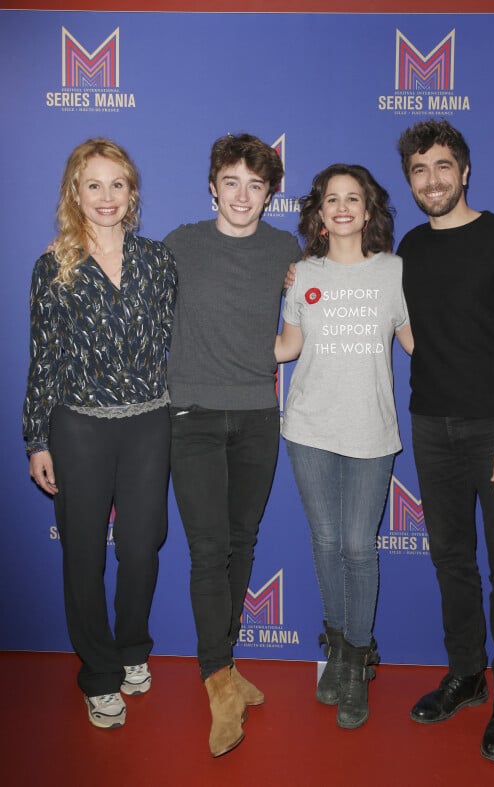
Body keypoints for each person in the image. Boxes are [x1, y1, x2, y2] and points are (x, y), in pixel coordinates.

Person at [396, 119, 494, 762]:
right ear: (410, 181)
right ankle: (466, 674)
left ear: (464, 171)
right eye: (418, 170)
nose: (431, 180)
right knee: (451, 560)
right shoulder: (408, 246)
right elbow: (403, 325)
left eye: (442, 166)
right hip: (432, 427)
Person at [23, 138, 177, 729]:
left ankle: (133, 645)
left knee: (142, 546)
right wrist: (37, 438)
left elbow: (193, 323)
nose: (106, 196)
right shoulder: (53, 266)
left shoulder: (158, 260)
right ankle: (97, 672)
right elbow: (44, 360)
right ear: (75, 192)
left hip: (148, 422)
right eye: (94, 184)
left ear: (131, 192)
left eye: (117, 184)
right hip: (78, 427)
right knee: (84, 554)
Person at [164, 133, 301, 757]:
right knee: (207, 548)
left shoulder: (284, 250)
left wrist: (264, 354)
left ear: (270, 193)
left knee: (242, 543)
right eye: (231, 182)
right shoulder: (179, 245)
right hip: (190, 416)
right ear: (212, 186)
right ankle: (217, 680)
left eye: (256, 184)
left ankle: (225, 664)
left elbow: (295, 335)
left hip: (256, 418)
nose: (243, 195)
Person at [275, 164, 413, 730]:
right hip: (308, 428)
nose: (342, 207)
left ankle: (357, 659)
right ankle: (336, 648)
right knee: (327, 541)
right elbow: (286, 348)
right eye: (332, 199)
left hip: (371, 432)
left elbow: (418, 342)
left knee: (359, 546)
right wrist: (219, 341)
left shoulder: (396, 272)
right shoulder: (302, 273)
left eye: (353, 198)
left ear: (368, 209)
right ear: (320, 211)